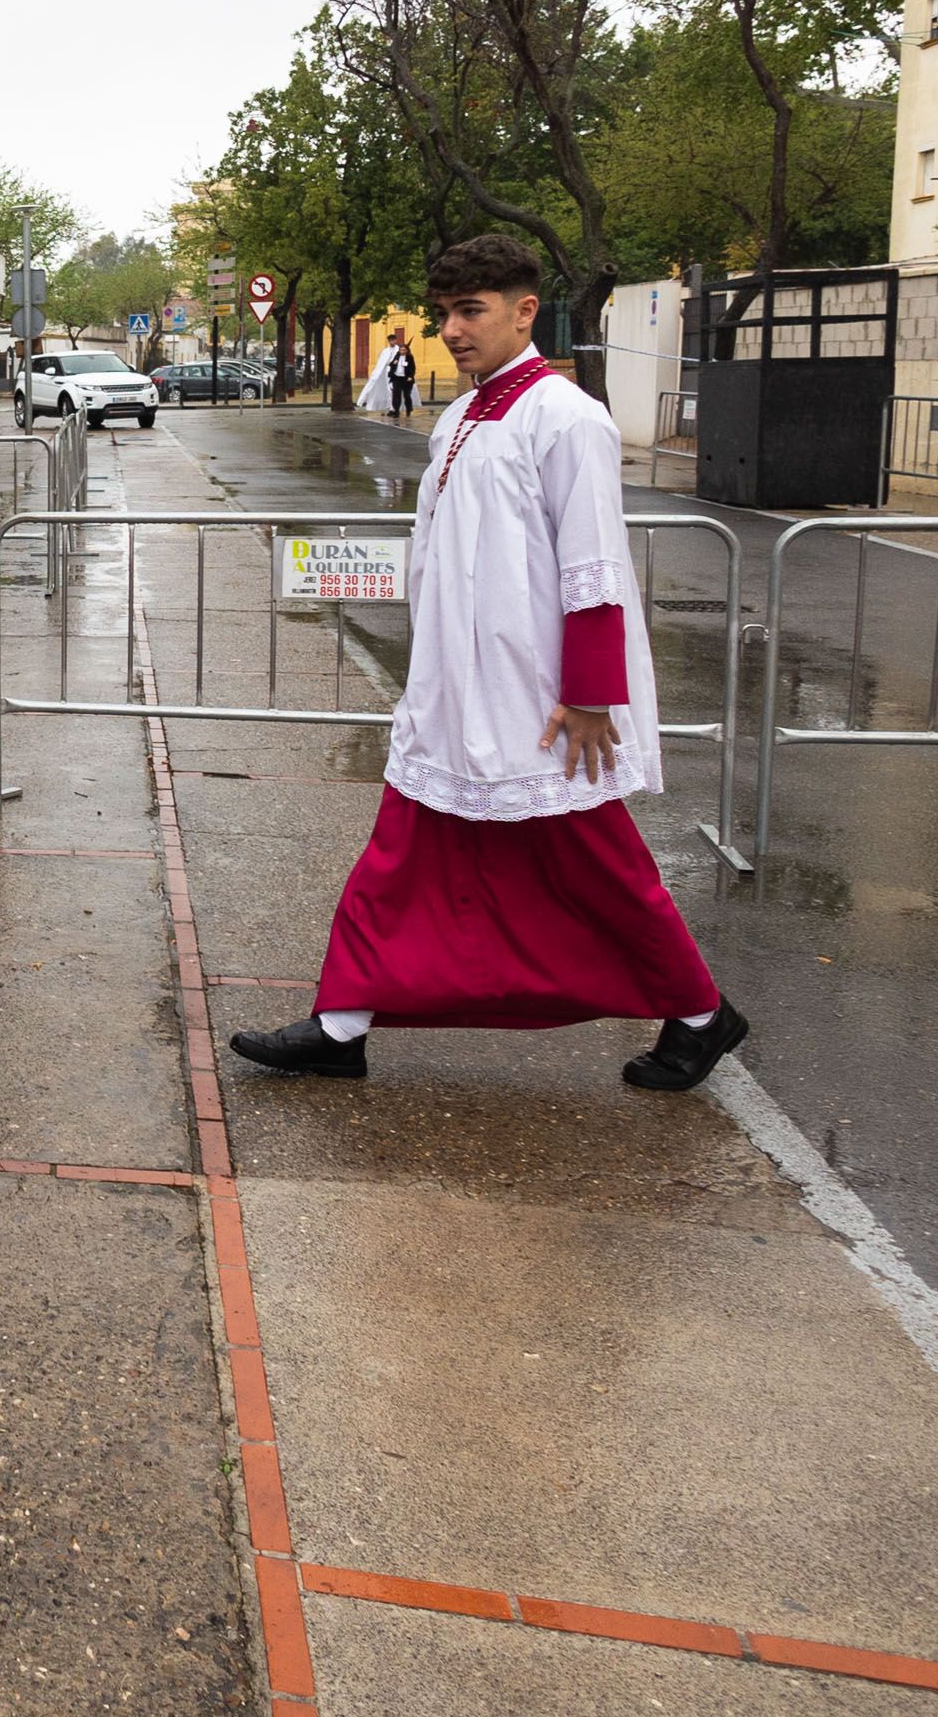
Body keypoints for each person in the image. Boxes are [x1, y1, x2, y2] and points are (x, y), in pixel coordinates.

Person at [231, 237, 744, 1091]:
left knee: (599, 864)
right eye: (444, 314)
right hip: (456, 685)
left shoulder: (566, 417)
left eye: (470, 312)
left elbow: (593, 565)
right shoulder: (462, 415)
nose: (452, 330)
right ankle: (341, 1021)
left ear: (523, 311)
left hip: (538, 694)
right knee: (398, 853)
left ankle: (699, 1012)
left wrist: (589, 695)